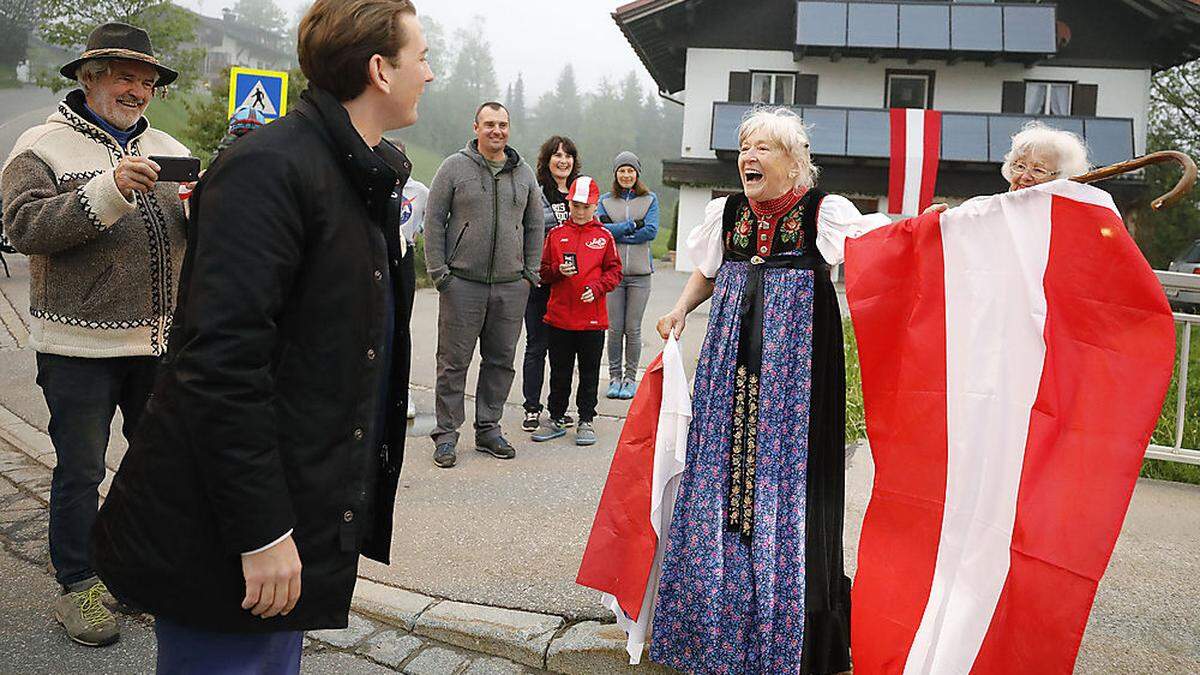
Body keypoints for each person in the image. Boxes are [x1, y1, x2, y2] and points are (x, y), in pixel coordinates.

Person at [90, 1, 433, 672]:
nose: (431, 71)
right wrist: (263, 530)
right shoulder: (269, 169)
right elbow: (219, 366)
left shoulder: (361, 173)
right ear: (379, 70)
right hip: (226, 534)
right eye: (421, 56)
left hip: (291, 516)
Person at [650, 107, 889, 673]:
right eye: (744, 148)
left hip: (795, 370)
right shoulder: (726, 211)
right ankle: (713, 628)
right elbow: (710, 271)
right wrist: (680, 309)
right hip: (729, 359)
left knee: (781, 482)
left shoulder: (824, 213)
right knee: (723, 472)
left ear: (794, 160)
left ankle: (785, 634)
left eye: (763, 148)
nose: (748, 158)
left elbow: (882, 254)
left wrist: (926, 229)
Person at [0, 21, 189, 647]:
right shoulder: (41, 145)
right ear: (90, 78)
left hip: (158, 346)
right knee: (80, 471)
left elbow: (188, 234)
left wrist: (200, 207)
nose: (137, 89)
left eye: (146, 80)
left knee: (153, 468)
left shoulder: (167, 144)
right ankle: (78, 586)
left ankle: (129, 575)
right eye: (124, 77)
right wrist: (107, 192)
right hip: (79, 349)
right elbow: (23, 228)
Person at [423, 102, 542, 468]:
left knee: (501, 361)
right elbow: (433, 219)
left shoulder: (523, 174)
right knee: (453, 363)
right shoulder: (453, 168)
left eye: (503, 125)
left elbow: (536, 224)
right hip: (462, 284)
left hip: (510, 287)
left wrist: (529, 273)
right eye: (490, 124)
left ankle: (488, 429)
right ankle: (446, 434)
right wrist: (439, 272)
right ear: (475, 126)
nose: (497, 131)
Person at [531, 176, 622, 446]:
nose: (580, 212)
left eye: (586, 206)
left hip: (592, 321)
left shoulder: (604, 237)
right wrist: (558, 271)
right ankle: (556, 417)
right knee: (559, 371)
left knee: (589, 371)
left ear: (596, 206)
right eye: (576, 205)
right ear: (569, 203)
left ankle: (586, 419)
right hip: (559, 318)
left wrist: (596, 287)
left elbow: (615, 271)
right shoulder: (556, 235)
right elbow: (543, 273)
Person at [522, 135, 580, 432]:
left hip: (569, 286)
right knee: (536, 346)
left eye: (568, 155)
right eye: (557, 155)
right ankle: (532, 407)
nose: (563, 160)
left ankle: (558, 408)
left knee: (563, 350)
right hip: (540, 282)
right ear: (547, 160)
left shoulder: (579, 192)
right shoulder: (536, 190)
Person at [597, 151, 659, 401]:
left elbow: (652, 231)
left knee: (632, 329)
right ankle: (614, 377)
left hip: (640, 276)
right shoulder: (605, 200)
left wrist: (617, 231)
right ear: (616, 173)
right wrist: (633, 225)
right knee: (614, 329)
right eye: (621, 170)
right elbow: (601, 229)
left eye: (630, 170)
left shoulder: (650, 199)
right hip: (613, 274)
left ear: (637, 173)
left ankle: (630, 379)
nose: (626, 174)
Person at [924, 121, 1091, 214]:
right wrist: (930, 224)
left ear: (1062, 179)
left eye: (1038, 170)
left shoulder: (1071, 224)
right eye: (1019, 166)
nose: (1025, 176)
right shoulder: (979, 209)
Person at [399, 173, 428, 419]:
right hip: (371, 251)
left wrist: (418, 229)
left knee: (401, 325)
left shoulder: (420, 190)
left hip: (404, 253)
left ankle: (402, 389)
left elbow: (433, 221)